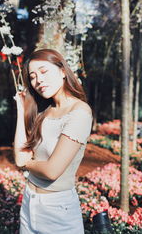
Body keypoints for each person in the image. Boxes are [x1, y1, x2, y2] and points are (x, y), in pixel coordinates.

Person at [14, 48, 93, 234]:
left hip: (58, 211)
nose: (38, 80)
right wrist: (20, 108)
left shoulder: (80, 112)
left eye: (43, 71)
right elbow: (20, 154)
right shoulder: (44, 112)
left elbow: (52, 170)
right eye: (32, 77)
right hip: (29, 202)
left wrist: (26, 163)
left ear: (62, 71)